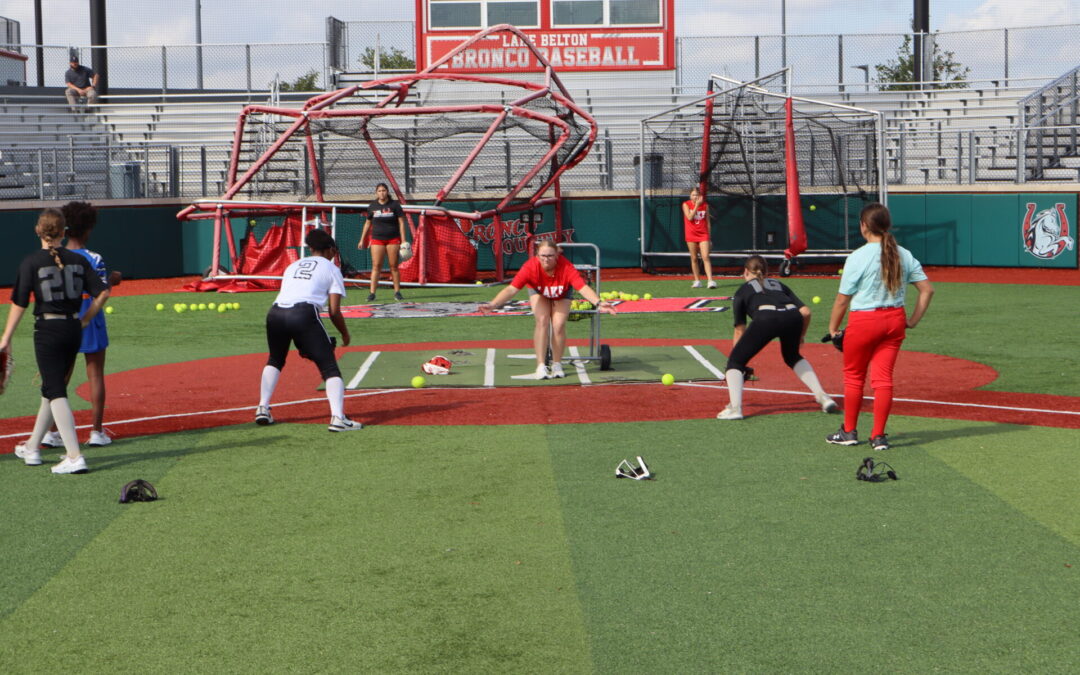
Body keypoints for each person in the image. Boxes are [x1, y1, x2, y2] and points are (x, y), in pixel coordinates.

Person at [2, 208, 110, 474]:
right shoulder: (78, 259)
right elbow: (103, 292)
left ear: (38, 231)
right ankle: (33, 447)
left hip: (48, 330)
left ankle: (74, 456)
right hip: (73, 328)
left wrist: (5, 338)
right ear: (63, 232)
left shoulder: (31, 262)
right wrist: (85, 320)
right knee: (50, 389)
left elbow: (19, 304)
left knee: (55, 390)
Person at [824, 203, 934, 451]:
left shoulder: (858, 256)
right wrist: (913, 321)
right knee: (883, 380)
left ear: (864, 226)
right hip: (894, 321)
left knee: (854, 377)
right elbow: (927, 289)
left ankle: (849, 432)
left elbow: (843, 300)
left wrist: (833, 329)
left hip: (864, 322)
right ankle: (879, 436)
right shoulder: (903, 253)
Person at [256, 228, 361, 432]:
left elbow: (290, 301)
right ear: (330, 249)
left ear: (311, 248)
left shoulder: (293, 265)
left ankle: (262, 407)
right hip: (304, 313)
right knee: (330, 368)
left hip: (275, 313)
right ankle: (338, 418)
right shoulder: (332, 269)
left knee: (275, 359)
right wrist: (345, 334)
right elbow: (333, 311)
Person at [38, 201, 121, 449]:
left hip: (64, 319)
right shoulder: (94, 257)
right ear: (88, 229)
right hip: (91, 319)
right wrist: (115, 279)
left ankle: (52, 431)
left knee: (60, 377)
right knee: (95, 374)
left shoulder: (57, 256)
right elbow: (102, 288)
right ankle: (96, 431)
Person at [717, 255, 838, 420]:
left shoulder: (742, 291)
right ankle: (824, 398)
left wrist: (737, 360)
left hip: (766, 318)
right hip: (793, 318)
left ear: (745, 272)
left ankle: (735, 409)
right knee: (792, 356)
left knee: (735, 362)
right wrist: (801, 335)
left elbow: (740, 329)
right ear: (766, 272)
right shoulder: (779, 284)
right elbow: (805, 312)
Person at [479, 239, 616, 379]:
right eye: (543, 256)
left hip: (562, 293)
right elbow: (511, 290)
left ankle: (557, 364)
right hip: (538, 292)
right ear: (537, 255)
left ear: (557, 255)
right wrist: (493, 304)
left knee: (558, 325)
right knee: (542, 321)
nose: (546, 259)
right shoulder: (530, 267)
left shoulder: (566, 267)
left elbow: (582, 288)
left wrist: (599, 303)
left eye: (550, 256)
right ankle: (541, 365)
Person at [358, 183, 408, 303]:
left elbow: (401, 222)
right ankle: (372, 293)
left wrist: (404, 239)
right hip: (377, 239)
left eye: (384, 190)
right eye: (379, 191)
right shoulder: (372, 206)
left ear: (387, 192)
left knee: (393, 266)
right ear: (376, 193)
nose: (382, 193)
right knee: (376, 266)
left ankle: (397, 292)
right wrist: (362, 239)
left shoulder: (394, 205)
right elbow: (368, 223)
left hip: (393, 239)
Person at [682, 187, 716, 289]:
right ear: (690, 196)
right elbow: (690, 217)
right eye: (693, 195)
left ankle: (710, 281)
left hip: (703, 234)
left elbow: (708, 222)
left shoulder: (705, 205)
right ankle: (697, 280)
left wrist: (709, 238)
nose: (695, 197)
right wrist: (696, 205)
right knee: (694, 258)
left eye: (697, 195)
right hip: (691, 234)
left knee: (705, 256)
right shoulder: (686, 204)